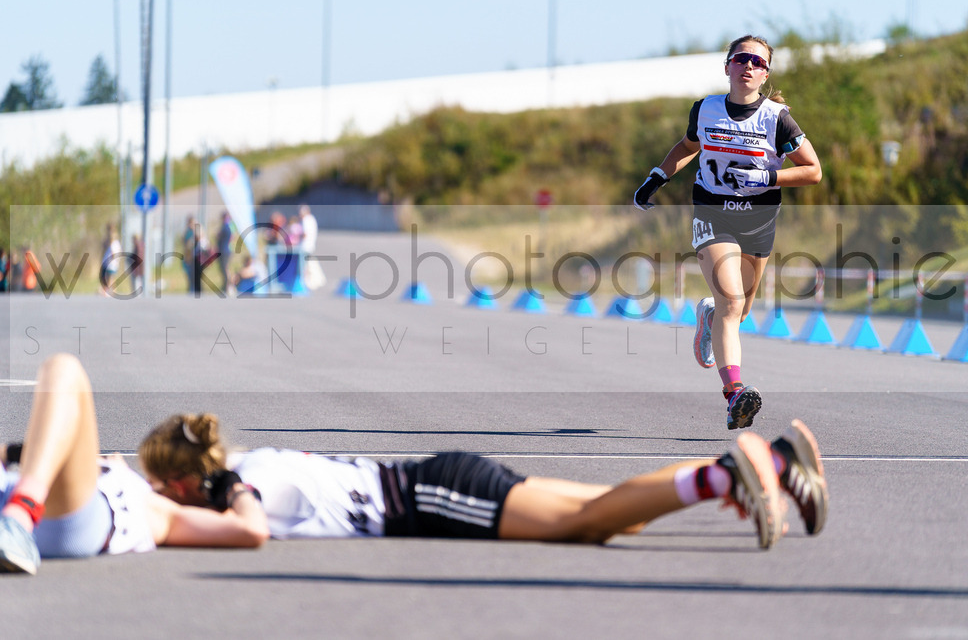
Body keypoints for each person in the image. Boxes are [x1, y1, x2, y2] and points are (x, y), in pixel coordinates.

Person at [139, 413, 827, 550]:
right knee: (620, 515)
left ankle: (721, 475)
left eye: (157, 487)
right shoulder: (251, 459)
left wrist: (177, 530)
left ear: (179, 481)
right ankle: (774, 461)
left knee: (581, 527)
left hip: (431, 495)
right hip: (440, 478)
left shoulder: (239, 483)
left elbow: (250, 529)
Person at [634, 34, 822, 430]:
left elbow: (813, 171)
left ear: (766, 72)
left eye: (758, 61)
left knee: (740, 312)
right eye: (741, 59)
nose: (748, 66)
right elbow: (688, 146)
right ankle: (734, 391)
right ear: (727, 66)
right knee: (732, 302)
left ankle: (707, 317)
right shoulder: (705, 109)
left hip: (758, 220)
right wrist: (657, 176)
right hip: (712, 212)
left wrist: (768, 174)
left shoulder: (777, 118)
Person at [0, 354, 269, 575]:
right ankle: (18, 516)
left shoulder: (163, 513)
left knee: (64, 368)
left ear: (177, 487)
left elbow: (252, 530)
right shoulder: (142, 492)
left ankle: (20, 517)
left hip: (68, 519)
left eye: (153, 480)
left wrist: (235, 487)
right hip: (21, 495)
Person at [298, 204, 325, 291]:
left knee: (304, 265)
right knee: (308, 264)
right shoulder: (312, 219)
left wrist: (297, 237)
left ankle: (306, 282)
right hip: (310, 245)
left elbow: (305, 234)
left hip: (305, 246)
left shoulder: (306, 219)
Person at [99, 224, 122, 296]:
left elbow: (115, 253)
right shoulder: (109, 242)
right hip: (107, 263)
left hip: (111, 264)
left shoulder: (115, 243)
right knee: (107, 277)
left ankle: (109, 291)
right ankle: (108, 291)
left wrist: (115, 260)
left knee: (109, 278)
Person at [215, 211, 233, 294]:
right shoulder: (228, 226)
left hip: (224, 250)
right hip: (225, 250)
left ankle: (227, 286)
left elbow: (219, 237)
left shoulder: (225, 227)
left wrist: (218, 235)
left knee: (225, 268)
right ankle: (226, 285)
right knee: (224, 268)